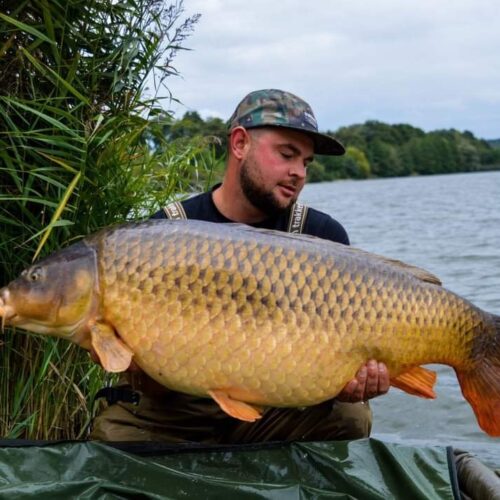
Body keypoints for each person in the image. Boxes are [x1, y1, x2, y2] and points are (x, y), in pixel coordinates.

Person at [90, 89, 390, 443]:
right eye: (287, 154)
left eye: (306, 162)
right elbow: (137, 367)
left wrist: (350, 383)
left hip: (277, 408)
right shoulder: (168, 231)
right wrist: (122, 352)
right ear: (239, 144)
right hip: (178, 410)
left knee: (350, 416)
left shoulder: (320, 235)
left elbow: (342, 349)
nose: (298, 173)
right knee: (113, 436)